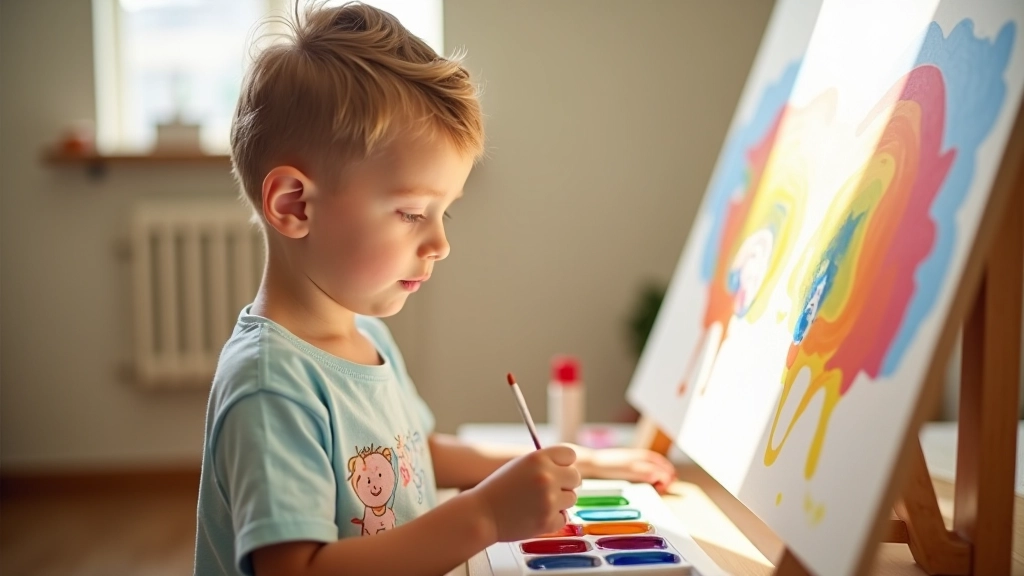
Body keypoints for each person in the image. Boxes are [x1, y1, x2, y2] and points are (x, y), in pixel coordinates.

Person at [193, 3, 676, 575]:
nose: (440, 243)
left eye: (446, 212)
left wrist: (581, 462)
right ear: (295, 205)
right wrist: (486, 518)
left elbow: (422, 454)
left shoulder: (366, 337)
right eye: (411, 212)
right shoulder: (270, 385)